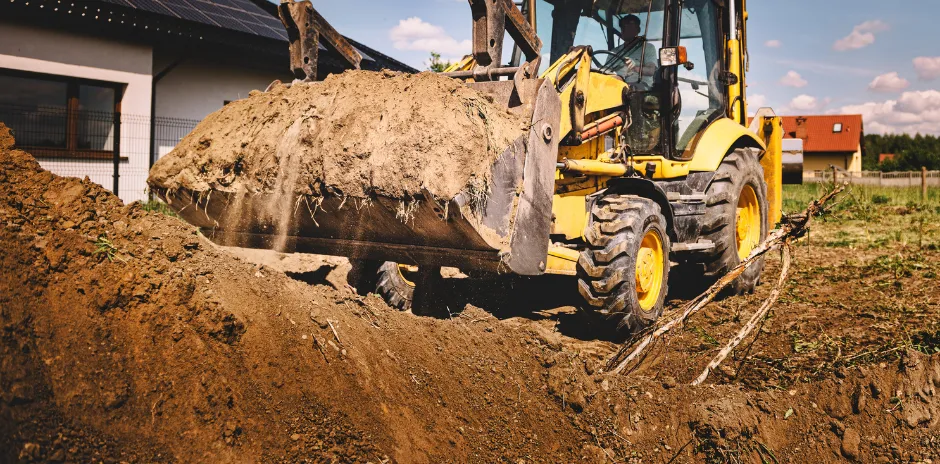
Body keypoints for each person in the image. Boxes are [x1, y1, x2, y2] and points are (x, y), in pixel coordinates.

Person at [605, 14, 658, 89]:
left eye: (629, 26)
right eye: (623, 27)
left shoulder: (647, 48)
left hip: (640, 88)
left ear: (638, 30)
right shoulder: (614, 51)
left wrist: (635, 67)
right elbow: (606, 71)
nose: (624, 29)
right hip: (616, 86)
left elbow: (651, 71)